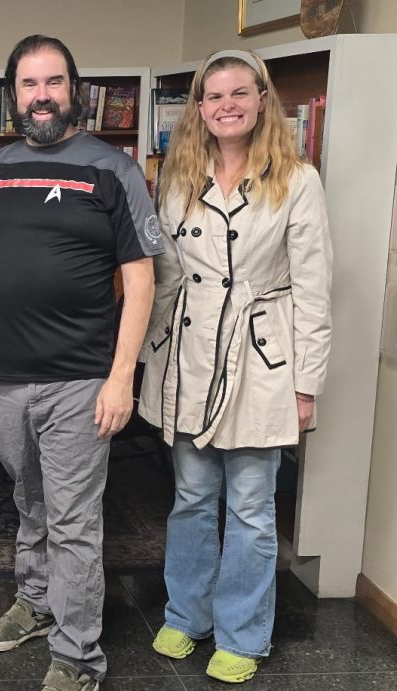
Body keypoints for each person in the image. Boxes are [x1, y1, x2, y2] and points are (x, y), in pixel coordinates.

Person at [0, 36, 162, 691]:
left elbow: (141, 279)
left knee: (75, 521)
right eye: (28, 83)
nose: (41, 94)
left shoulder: (113, 169)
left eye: (53, 81)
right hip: (4, 378)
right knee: (31, 501)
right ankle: (38, 604)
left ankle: (78, 658)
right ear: (12, 93)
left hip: (80, 379)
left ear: (74, 88)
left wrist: (121, 376)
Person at [139, 49, 331, 684]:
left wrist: (306, 384)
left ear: (262, 100)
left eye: (239, 94)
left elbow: (313, 289)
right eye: (214, 96)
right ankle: (185, 614)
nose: (226, 106)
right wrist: (147, 364)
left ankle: (243, 633)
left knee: (251, 505)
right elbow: (163, 279)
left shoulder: (297, 180)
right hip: (188, 357)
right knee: (192, 497)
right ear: (199, 108)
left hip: (261, 360)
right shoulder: (177, 177)